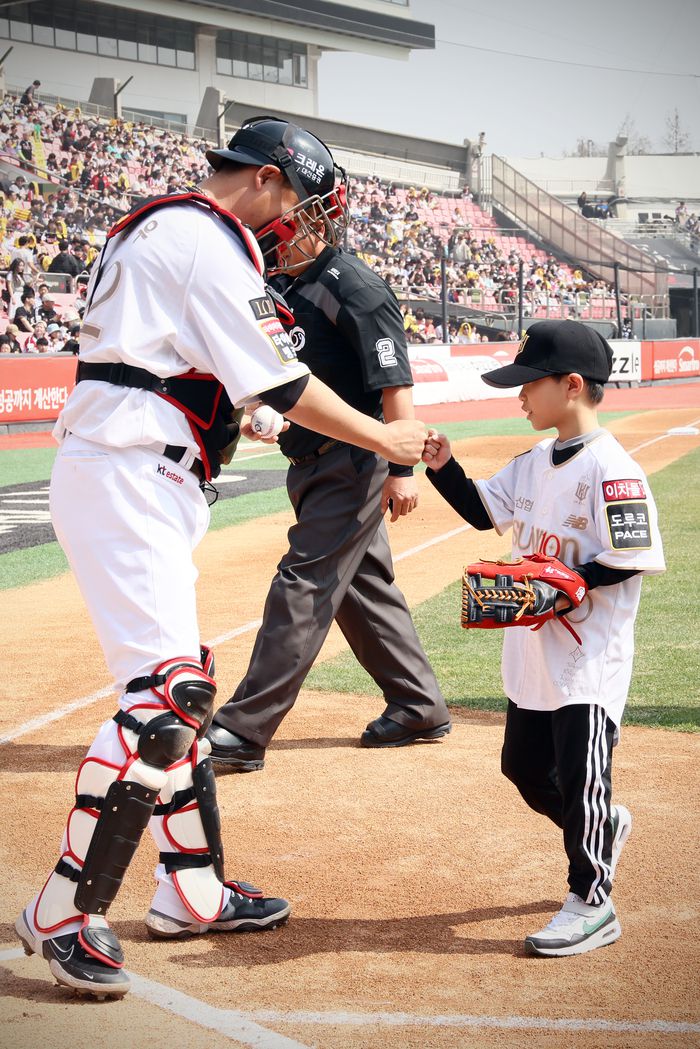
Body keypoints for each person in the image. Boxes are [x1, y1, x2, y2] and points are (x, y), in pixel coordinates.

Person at [15, 115, 428, 1000]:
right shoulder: (206, 236)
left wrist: (252, 413)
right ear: (270, 180)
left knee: (181, 690)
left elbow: (206, 375)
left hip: (139, 468)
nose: (301, 226)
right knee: (168, 699)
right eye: (301, 204)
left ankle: (191, 888)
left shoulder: (163, 226)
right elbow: (281, 380)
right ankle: (59, 906)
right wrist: (386, 437)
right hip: (128, 470)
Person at [206, 119, 450, 773]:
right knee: (362, 587)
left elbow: (394, 385)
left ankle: (242, 727)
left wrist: (404, 470)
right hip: (310, 463)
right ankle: (418, 703)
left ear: (309, 212)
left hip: (357, 461)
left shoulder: (357, 287)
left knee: (305, 583)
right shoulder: (277, 285)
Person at [422, 320, 665, 957]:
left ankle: (592, 901)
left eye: (531, 383)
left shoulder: (613, 468)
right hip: (534, 650)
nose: (520, 395)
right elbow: (483, 511)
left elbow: (632, 555)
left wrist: (567, 583)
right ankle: (603, 826)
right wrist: (443, 467)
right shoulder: (533, 463)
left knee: (584, 773)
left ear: (573, 385)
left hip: (588, 655)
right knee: (525, 768)